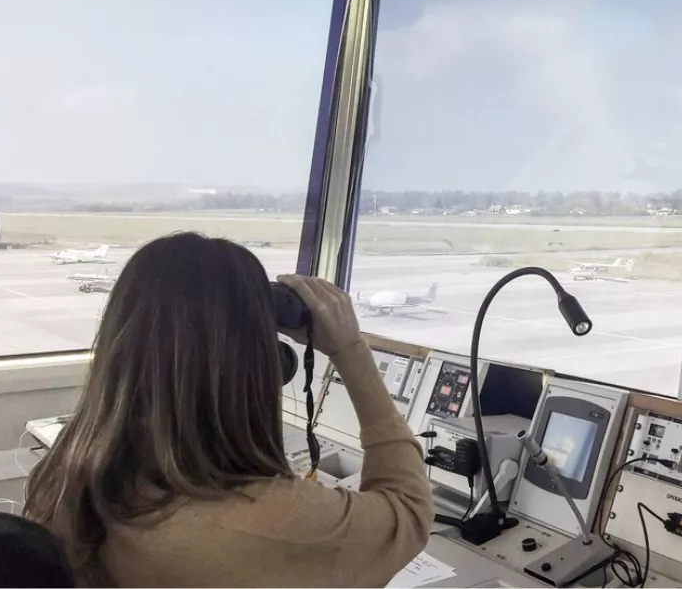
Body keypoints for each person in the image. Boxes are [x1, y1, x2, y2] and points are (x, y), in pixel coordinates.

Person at [23, 232, 433, 587]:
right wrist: (350, 349)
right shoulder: (284, 521)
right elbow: (410, 510)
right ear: (258, 367)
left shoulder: (68, 474)